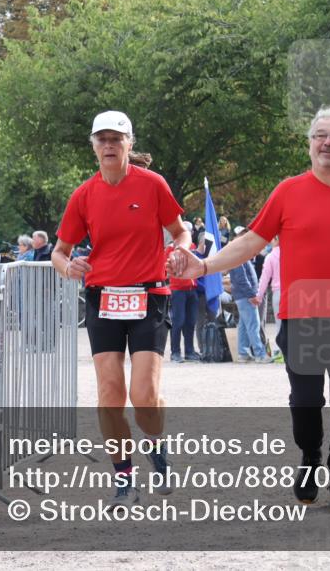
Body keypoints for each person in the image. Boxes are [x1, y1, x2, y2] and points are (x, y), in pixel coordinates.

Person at [168, 107, 330, 512]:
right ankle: (310, 456)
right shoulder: (288, 191)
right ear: (309, 144)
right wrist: (203, 265)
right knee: (306, 402)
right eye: (320, 135)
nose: (327, 142)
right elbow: (251, 242)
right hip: (302, 317)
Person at [53, 110, 192, 509]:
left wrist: (179, 249)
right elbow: (59, 253)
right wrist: (69, 267)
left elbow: (180, 229)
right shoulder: (84, 194)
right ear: (94, 147)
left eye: (117, 139)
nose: (110, 146)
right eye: (103, 140)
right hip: (104, 297)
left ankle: (155, 445)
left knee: (144, 394)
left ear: (130, 144)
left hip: (149, 295)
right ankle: (125, 479)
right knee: (109, 394)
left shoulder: (152, 185)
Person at [228, 230, 267, 363]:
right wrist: (251, 295)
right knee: (253, 325)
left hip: (242, 295)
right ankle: (260, 354)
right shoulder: (238, 255)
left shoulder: (239, 254)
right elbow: (241, 278)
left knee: (245, 325)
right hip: (245, 295)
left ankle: (243, 353)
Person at [166, 222, 201, 363]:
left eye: (191, 231)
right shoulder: (169, 249)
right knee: (178, 322)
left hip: (192, 289)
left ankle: (189, 351)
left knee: (191, 322)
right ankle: (175, 352)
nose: (190, 234)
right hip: (178, 290)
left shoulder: (192, 247)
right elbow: (164, 269)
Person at [252, 236, 282, 358]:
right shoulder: (293, 253)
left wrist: (259, 296)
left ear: (276, 240)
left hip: (278, 292)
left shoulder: (270, 257)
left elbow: (264, 279)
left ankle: (282, 352)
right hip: (294, 291)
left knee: (280, 325)